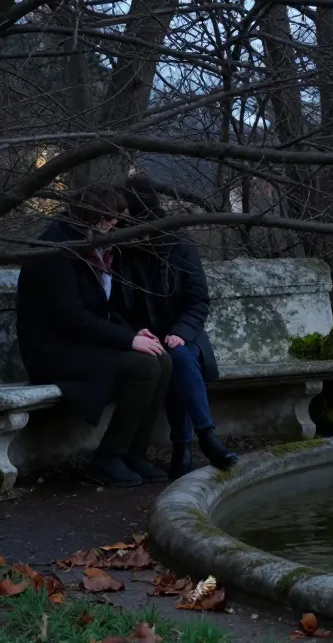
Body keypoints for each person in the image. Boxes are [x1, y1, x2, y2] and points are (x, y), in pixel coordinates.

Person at [15, 183, 172, 488]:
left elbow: (101, 309)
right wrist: (127, 341)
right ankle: (108, 458)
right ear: (92, 216)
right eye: (109, 219)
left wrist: (132, 334)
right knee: (144, 366)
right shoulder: (55, 250)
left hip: (81, 344)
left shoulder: (91, 247)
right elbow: (70, 317)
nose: (114, 226)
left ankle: (133, 453)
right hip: (54, 351)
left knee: (161, 359)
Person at [118, 175, 238, 479]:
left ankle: (197, 441)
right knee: (168, 359)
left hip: (184, 334)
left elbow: (198, 300)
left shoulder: (178, 243)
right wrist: (136, 334)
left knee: (180, 355)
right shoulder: (120, 250)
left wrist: (181, 331)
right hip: (143, 340)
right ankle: (192, 444)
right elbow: (115, 307)